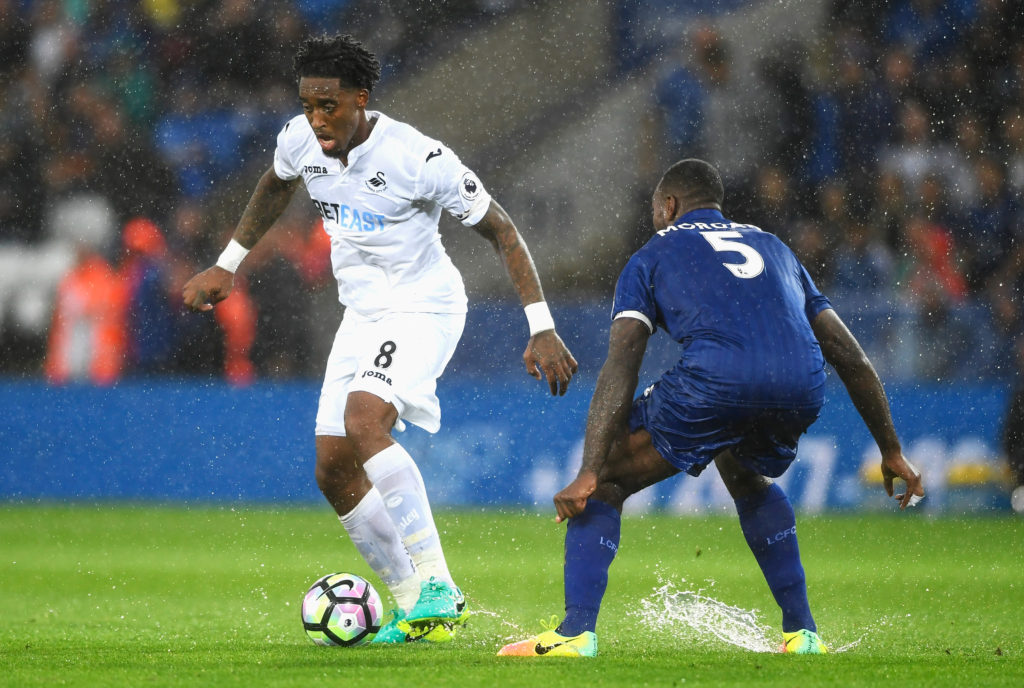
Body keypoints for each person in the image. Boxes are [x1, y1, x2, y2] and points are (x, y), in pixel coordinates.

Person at [182, 34, 577, 644]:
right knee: (333, 469)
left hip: (423, 307)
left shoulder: (418, 158)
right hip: (362, 313)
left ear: (360, 98)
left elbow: (501, 229)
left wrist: (542, 325)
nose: (317, 119)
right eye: (308, 106)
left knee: (365, 419)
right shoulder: (299, 140)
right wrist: (228, 262)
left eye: (329, 106)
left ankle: (440, 583)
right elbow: (276, 184)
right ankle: (418, 609)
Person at [498, 159, 924, 658]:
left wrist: (590, 469)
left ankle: (575, 633)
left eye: (656, 211)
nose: (656, 220)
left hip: (719, 380)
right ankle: (802, 633)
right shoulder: (775, 247)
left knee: (608, 478)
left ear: (669, 206)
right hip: (800, 382)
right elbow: (847, 353)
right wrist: (891, 449)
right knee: (743, 470)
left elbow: (623, 360)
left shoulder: (653, 253)